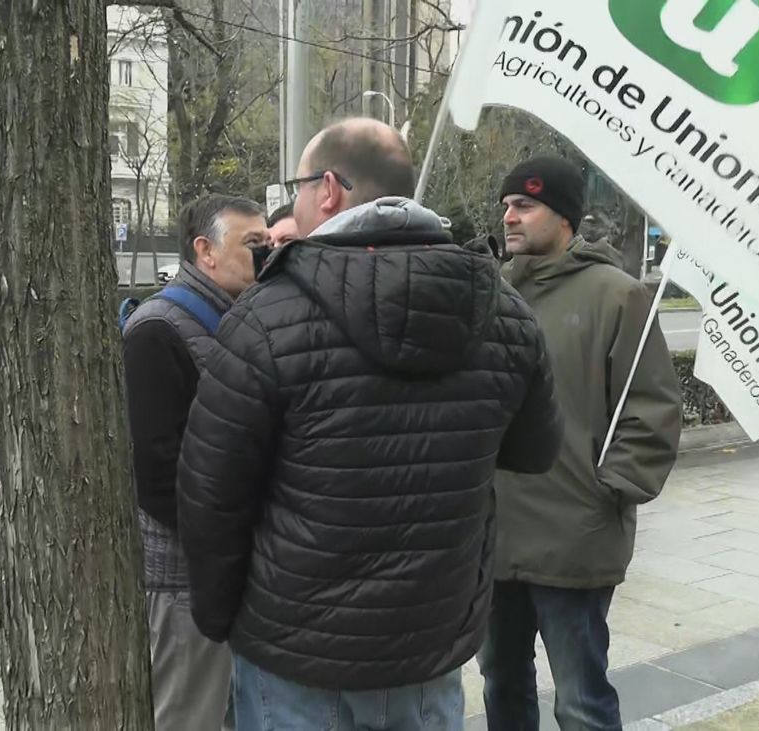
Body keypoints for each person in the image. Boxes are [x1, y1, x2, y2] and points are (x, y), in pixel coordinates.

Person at [175, 118, 565, 730]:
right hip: (430, 642)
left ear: (327, 190)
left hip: (296, 653)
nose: (296, 200)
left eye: (298, 185)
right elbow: (536, 449)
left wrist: (222, 619)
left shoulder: (264, 316)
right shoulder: (506, 312)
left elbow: (212, 495)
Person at [480, 156, 683, 731]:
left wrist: (609, 490)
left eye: (524, 205)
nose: (509, 217)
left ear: (564, 216)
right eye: (506, 206)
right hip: (494, 538)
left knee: (580, 698)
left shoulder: (619, 297)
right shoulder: (492, 293)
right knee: (501, 681)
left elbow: (653, 408)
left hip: (575, 537)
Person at [121, 193, 268, 731]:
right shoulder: (158, 331)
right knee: (186, 717)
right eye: (255, 245)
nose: (267, 257)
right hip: (182, 583)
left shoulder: (230, 321)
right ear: (205, 250)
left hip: (221, 575)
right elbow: (155, 475)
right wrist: (226, 539)